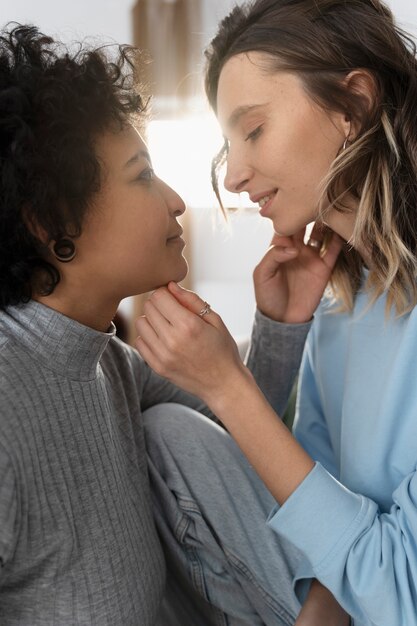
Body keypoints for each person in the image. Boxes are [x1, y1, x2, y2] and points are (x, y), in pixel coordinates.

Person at [135, 0, 417, 625]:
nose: (233, 175)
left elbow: (400, 592)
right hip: (346, 597)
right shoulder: (344, 303)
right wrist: (284, 335)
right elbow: (319, 523)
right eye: (228, 145)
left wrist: (226, 387)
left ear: (354, 106)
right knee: (169, 436)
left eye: (254, 130)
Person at [0, 22, 223, 625]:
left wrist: (282, 321)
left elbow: (237, 435)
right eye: (143, 175)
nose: (176, 201)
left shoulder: (109, 362)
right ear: (53, 223)